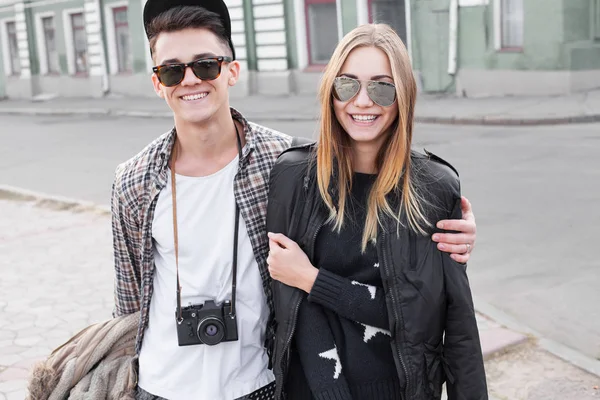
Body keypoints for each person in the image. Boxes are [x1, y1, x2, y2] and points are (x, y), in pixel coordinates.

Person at [110, 0, 480, 397]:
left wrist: (452, 239)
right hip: (162, 387)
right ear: (157, 82)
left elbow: (410, 287)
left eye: (205, 65)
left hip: (261, 384)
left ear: (231, 71)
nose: (189, 80)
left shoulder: (281, 163)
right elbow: (129, 309)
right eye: (171, 70)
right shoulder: (134, 181)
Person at [266, 23, 487, 400]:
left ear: (403, 96)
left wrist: (314, 280)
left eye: (382, 87)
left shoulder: (433, 187)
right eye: (347, 84)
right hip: (313, 389)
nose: (363, 101)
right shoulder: (293, 177)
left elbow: (433, 320)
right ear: (330, 92)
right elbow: (289, 307)